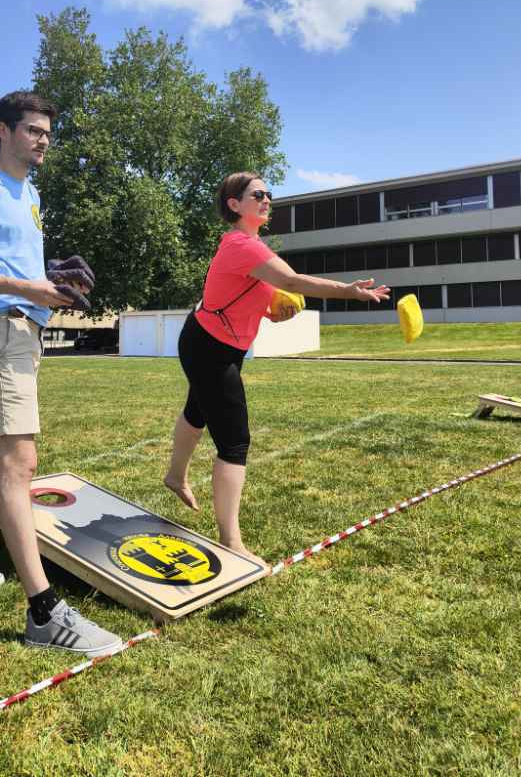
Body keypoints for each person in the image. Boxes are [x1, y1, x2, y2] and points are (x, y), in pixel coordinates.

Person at [0, 90, 122, 657]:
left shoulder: (30, 193)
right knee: (19, 461)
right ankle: (44, 613)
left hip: (21, 330)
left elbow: (10, 261)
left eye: (47, 133)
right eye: (33, 130)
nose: (43, 140)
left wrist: (50, 279)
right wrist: (25, 287)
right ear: (3, 130)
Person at [164, 171, 390, 560]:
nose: (267, 199)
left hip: (214, 342)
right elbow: (294, 282)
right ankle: (231, 541)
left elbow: (259, 297)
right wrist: (348, 291)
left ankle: (175, 476)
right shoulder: (242, 245)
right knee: (235, 441)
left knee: (198, 410)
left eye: (269, 194)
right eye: (258, 194)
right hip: (209, 347)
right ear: (235, 204)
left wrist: (274, 311)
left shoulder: (250, 246)